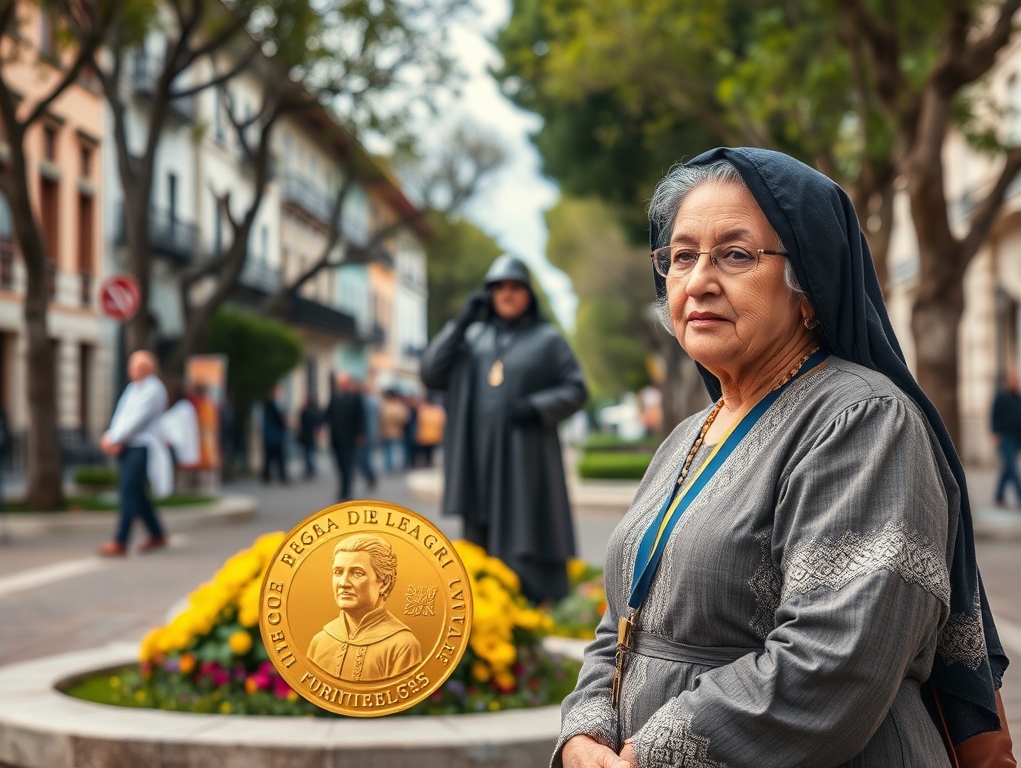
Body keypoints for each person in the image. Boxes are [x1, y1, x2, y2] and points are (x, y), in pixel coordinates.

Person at [554, 148, 1013, 767]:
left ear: (809, 287)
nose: (698, 281)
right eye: (681, 256)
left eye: (736, 255)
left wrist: (648, 755)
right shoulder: (688, 436)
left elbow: (835, 659)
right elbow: (624, 622)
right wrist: (585, 733)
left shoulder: (863, 421)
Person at [420, 254, 588, 605]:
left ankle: (529, 604)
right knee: (477, 540)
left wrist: (536, 407)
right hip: (476, 459)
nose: (507, 294)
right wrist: (462, 320)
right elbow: (431, 373)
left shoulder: (548, 339)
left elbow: (576, 389)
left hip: (523, 458)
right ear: (488, 294)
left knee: (523, 527)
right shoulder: (472, 337)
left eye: (515, 287)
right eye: (499, 288)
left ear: (528, 293)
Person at [307, 534, 422, 681]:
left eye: (357, 573)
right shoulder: (320, 641)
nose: (343, 582)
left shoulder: (402, 645)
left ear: (384, 582)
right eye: (338, 572)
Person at [98, 350, 169, 556]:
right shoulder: (133, 388)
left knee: (129, 491)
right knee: (137, 494)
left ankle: (120, 540)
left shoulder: (154, 389)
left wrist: (115, 438)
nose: (132, 369)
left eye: (136, 366)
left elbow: (137, 419)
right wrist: (112, 435)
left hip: (141, 446)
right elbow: (121, 415)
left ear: (146, 368)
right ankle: (157, 534)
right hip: (127, 445)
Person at [323, 372, 366, 502]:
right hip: (336, 438)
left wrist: (361, 434)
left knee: (348, 465)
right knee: (340, 466)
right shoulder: (335, 398)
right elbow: (327, 414)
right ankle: (342, 490)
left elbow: (361, 417)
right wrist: (321, 427)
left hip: (350, 438)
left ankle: (347, 492)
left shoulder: (355, 398)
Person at [991, 368, 1021, 507]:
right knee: (1012, 467)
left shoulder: (1017, 397)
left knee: (1008, 467)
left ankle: (999, 495)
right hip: (1005, 436)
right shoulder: (1001, 396)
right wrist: (995, 433)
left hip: (1017, 436)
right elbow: (994, 416)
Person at [260, 386, 289, 484]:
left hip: (272, 436)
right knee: (278, 457)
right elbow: (279, 418)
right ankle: (281, 476)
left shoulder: (269, 404)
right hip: (274, 436)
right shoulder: (271, 404)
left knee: (270, 458)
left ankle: (267, 476)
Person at [379, 389, 410, 472]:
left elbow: (404, 418)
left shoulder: (394, 405)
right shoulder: (386, 405)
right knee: (389, 450)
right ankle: (389, 466)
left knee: (392, 449)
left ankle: (390, 466)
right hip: (388, 431)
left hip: (394, 431)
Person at [357, 377, 379, 491]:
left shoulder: (367, 402)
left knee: (364, 459)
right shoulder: (374, 401)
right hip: (370, 433)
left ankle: (371, 477)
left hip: (366, 435)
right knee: (364, 459)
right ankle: (370, 478)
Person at [414, 394, 446, 468]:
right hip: (433, 434)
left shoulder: (422, 410)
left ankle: (427, 461)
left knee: (427, 451)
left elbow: (419, 422)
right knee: (430, 450)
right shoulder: (437, 410)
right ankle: (429, 461)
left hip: (426, 434)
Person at [297, 396, 322, 480]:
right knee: (310, 452)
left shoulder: (305, 411)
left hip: (306, 435)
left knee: (308, 453)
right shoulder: (314, 411)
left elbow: (301, 423)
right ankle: (311, 469)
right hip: (311, 435)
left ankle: (310, 469)